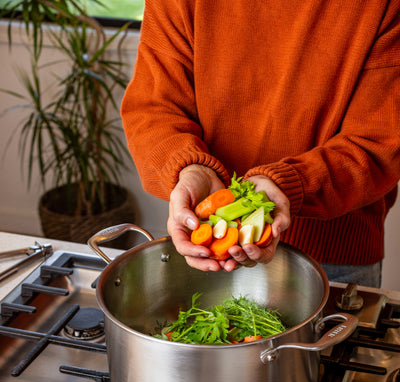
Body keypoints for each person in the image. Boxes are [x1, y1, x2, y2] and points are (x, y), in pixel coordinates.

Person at [121, 0, 400, 287]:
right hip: (210, 242)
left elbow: (380, 143)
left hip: (334, 258)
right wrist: (189, 168)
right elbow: (153, 108)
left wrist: (291, 184)